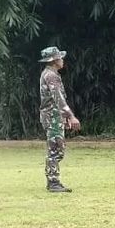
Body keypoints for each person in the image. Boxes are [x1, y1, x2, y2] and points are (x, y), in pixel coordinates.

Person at [38, 46, 81, 193]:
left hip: (54, 116)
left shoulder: (50, 74)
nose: (62, 60)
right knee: (56, 149)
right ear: (54, 60)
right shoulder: (51, 76)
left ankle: (53, 180)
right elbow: (58, 98)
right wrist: (70, 116)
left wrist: (64, 116)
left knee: (56, 149)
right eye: (60, 58)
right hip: (52, 117)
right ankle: (53, 182)